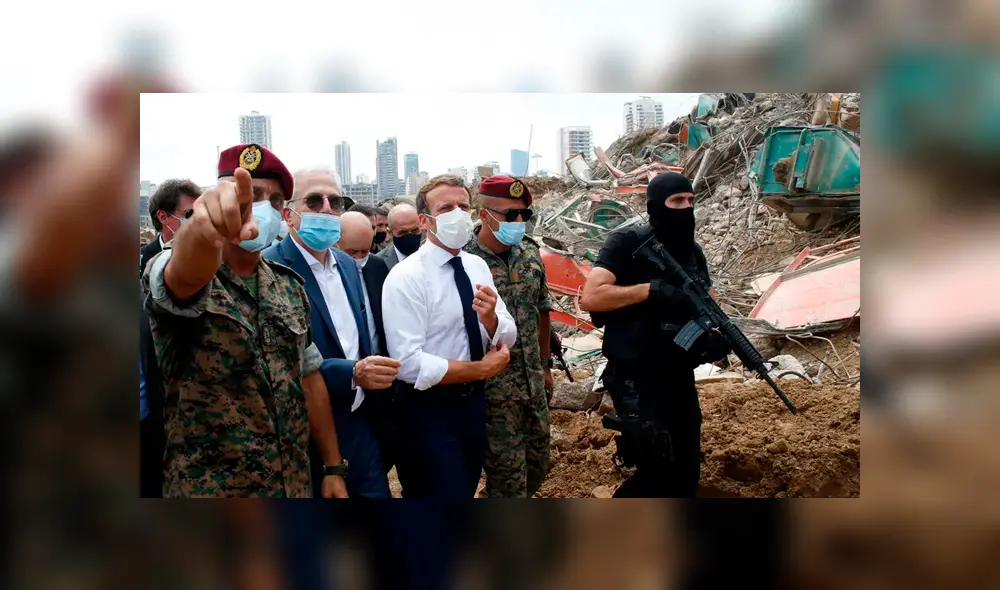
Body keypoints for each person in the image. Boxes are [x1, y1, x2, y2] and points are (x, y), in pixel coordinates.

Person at [142, 144, 347, 498]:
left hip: (292, 485)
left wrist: (332, 467)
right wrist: (202, 232)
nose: (263, 207)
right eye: (252, 195)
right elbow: (184, 276)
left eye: (276, 200)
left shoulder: (289, 286)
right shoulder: (181, 268)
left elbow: (309, 377)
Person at [580, 171, 731, 498]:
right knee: (657, 470)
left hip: (678, 376)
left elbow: (708, 303)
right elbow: (591, 297)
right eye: (676, 201)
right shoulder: (626, 243)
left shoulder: (693, 252)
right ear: (655, 206)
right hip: (634, 376)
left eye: (690, 200)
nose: (686, 208)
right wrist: (650, 290)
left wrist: (715, 336)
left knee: (687, 472)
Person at [262, 168, 399, 498]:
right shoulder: (268, 269)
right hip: (303, 436)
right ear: (288, 215)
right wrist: (351, 372)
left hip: (360, 423)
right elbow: (278, 361)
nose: (326, 209)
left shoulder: (347, 264)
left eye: (335, 202)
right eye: (314, 201)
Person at [381, 174, 516, 498]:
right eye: (446, 208)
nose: (458, 214)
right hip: (428, 410)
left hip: (473, 405)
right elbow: (409, 363)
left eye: (463, 206)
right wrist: (481, 369)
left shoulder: (476, 266)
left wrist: (490, 320)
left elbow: (508, 332)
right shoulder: (407, 277)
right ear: (425, 221)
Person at [464, 175, 552, 498]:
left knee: (539, 466)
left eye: (524, 214)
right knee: (509, 483)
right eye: (510, 215)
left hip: (533, 385)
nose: (518, 222)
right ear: (484, 215)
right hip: (493, 394)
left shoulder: (530, 252)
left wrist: (545, 365)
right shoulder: (464, 259)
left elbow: (543, 309)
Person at [139, 179, 203, 498]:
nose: (197, 222)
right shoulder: (142, 262)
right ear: (164, 218)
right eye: (189, 214)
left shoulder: (212, 262)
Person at [335, 211, 401, 477]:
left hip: (380, 384)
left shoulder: (375, 267)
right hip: (344, 385)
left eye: (365, 250)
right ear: (335, 244)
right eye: (353, 253)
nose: (360, 258)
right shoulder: (327, 277)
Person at [140, 179, 201, 274]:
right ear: (163, 217)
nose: (197, 220)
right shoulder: (140, 260)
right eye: (189, 213)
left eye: (199, 213)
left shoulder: (209, 257)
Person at [377, 203, 421, 272]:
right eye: (403, 232)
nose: (410, 236)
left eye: (414, 230)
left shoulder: (432, 257)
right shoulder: (377, 263)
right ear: (390, 233)